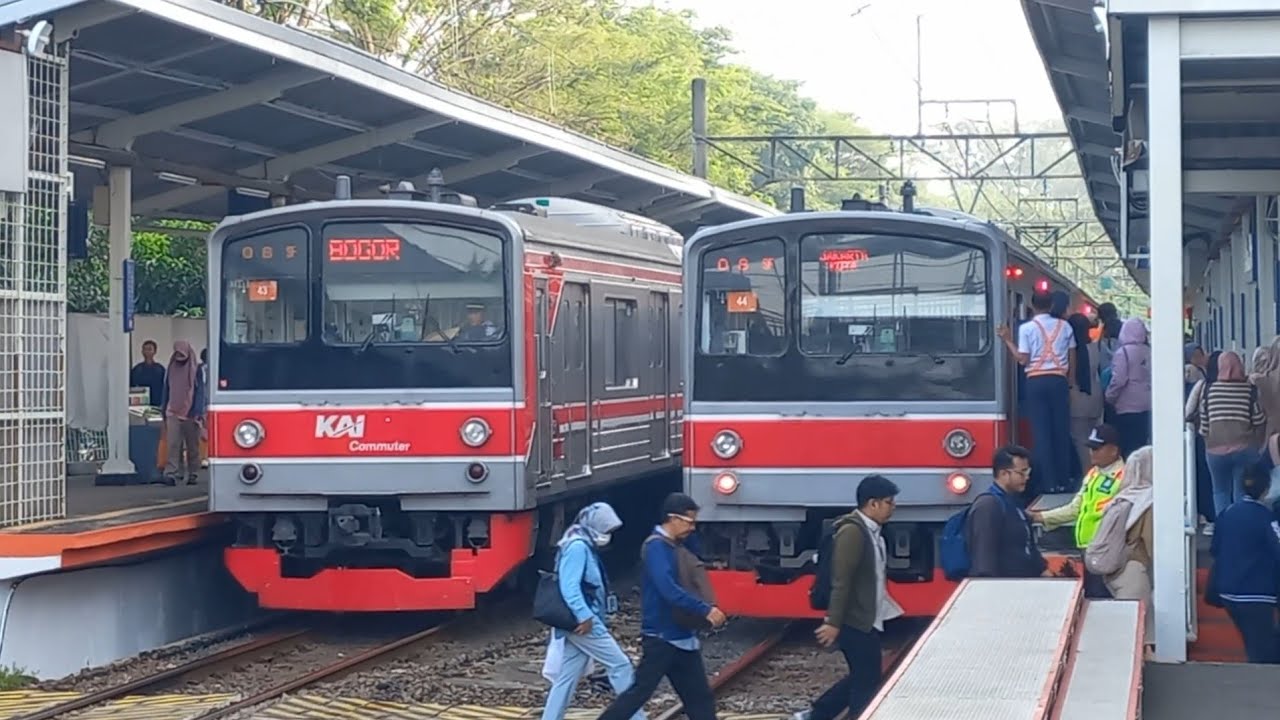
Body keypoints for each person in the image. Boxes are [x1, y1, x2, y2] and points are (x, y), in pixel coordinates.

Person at [596, 493, 726, 720]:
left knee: (700, 699)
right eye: (689, 522)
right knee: (639, 693)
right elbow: (669, 589)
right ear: (672, 519)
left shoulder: (675, 545)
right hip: (661, 638)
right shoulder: (656, 548)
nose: (692, 528)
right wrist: (704, 609)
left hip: (681, 637)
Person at [793, 475, 902, 720]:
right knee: (867, 680)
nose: (893, 508)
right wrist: (833, 621)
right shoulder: (853, 532)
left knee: (864, 675)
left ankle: (817, 714)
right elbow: (842, 580)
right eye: (889, 502)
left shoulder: (871, 531)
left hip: (866, 616)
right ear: (872, 504)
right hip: (855, 618)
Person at [540, 503, 644, 720]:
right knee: (620, 665)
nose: (607, 536)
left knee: (567, 678)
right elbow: (569, 586)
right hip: (585, 622)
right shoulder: (578, 547)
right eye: (606, 530)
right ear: (594, 526)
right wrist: (585, 616)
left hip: (578, 621)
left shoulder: (580, 542)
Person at [1030, 424, 1125, 598]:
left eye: (1097, 448)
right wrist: (1040, 517)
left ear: (1113, 450)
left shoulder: (1124, 477)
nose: (1092, 453)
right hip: (1088, 549)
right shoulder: (1094, 474)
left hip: (1108, 549)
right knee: (1092, 596)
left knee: (1102, 598)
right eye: (1090, 448)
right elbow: (1076, 509)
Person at [997, 291, 1076, 494]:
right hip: (1059, 380)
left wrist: (1007, 340)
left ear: (1032, 306)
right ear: (1051, 305)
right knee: (1061, 431)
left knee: (1041, 434)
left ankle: (1048, 483)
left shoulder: (1027, 328)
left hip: (1036, 382)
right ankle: (1064, 481)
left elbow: (1023, 359)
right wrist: (1070, 381)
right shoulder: (1065, 326)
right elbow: (1072, 355)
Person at [1210, 461, 1280, 663]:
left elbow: (1215, 548)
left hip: (1228, 592)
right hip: (1257, 593)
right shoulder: (1266, 518)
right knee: (1263, 651)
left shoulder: (1228, 513)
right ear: (1266, 489)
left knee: (1254, 641)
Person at [1100, 446, 1155, 654]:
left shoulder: (1119, 498)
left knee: (1128, 627)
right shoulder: (1149, 500)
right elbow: (1150, 541)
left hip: (1114, 567)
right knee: (1136, 633)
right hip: (1135, 569)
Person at [1199, 351, 1266, 516]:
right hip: (1244, 448)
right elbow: (1258, 420)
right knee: (1241, 491)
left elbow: (1204, 427)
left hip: (1215, 451)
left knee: (1220, 491)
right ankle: (1241, 527)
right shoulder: (1249, 391)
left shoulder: (1209, 390)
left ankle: (1223, 527)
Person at [966, 446, 1048, 578]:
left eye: (1028, 472)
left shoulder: (1014, 503)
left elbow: (1027, 546)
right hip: (1004, 588)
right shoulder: (988, 506)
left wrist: (1042, 570)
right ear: (1004, 474)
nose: (1026, 478)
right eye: (1022, 473)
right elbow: (984, 556)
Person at [1104, 318, 1153, 457]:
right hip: (1147, 404)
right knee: (1142, 444)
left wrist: (1109, 397)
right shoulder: (1149, 351)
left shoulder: (1122, 353)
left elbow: (1118, 380)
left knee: (1128, 445)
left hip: (1127, 406)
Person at [1187, 350, 1223, 534]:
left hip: (1207, 439)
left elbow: (1188, 411)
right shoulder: (1244, 385)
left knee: (1209, 480)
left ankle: (1212, 519)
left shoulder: (1203, 386)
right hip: (1241, 441)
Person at [1068, 313, 1104, 487]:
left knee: (1081, 441)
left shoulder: (1071, 350)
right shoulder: (1095, 348)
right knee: (1094, 439)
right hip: (1095, 396)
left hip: (1077, 398)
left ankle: (1087, 476)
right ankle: (1097, 473)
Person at [159, 341, 201, 486]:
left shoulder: (196, 370)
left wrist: (197, 411)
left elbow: (200, 391)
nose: (179, 356)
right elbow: (167, 388)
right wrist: (163, 408)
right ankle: (172, 473)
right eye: (177, 353)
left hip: (190, 412)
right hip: (172, 411)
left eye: (182, 353)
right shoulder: (171, 368)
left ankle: (193, 473)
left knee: (192, 446)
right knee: (173, 444)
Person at [129, 339, 166, 409]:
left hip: (157, 404)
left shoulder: (160, 369)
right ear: (142, 351)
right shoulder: (137, 369)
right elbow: (131, 386)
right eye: (145, 349)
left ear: (155, 351)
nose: (147, 352)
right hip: (140, 405)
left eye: (149, 349)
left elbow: (165, 387)